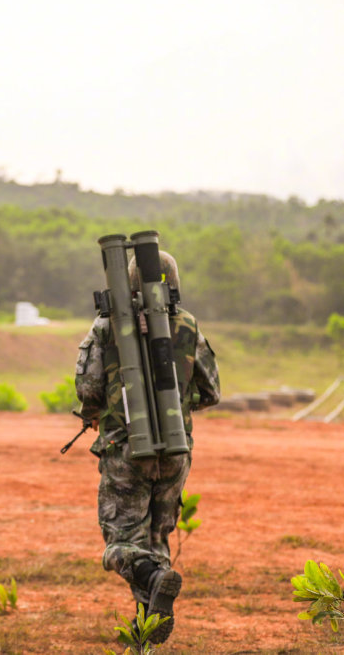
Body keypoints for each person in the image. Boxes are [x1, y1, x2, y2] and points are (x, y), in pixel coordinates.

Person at [75, 250, 220, 645]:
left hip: (125, 450)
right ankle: (147, 630)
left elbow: (87, 390)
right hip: (176, 450)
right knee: (156, 539)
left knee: (121, 543)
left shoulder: (107, 326)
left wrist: (95, 412)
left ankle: (156, 580)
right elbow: (211, 391)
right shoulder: (188, 324)